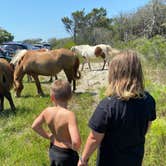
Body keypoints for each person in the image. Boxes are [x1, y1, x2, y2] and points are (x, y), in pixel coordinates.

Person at [78, 50, 156, 166]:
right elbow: (146, 127)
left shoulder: (107, 105)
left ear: (115, 74)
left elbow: (94, 138)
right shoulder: (148, 100)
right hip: (135, 159)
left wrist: (83, 159)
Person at [32, 80, 81, 166]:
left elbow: (35, 126)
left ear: (52, 97)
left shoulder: (47, 111)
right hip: (67, 155)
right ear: (70, 96)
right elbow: (76, 142)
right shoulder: (69, 115)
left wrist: (49, 136)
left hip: (53, 151)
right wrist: (73, 147)